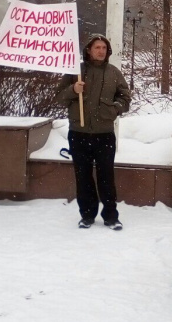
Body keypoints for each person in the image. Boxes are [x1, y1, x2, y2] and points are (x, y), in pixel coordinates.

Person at [56, 34, 131, 230]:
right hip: (79, 133)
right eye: (97, 47)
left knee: (107, 176)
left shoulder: (113, 73)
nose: (101, 51)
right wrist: (73, 89)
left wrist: (114, 108)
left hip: (104, 134)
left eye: (104, 48)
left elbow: (125, 98)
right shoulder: (76, 72)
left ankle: (111, 216)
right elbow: (59, 97)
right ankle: (87, 215)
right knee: (83, 176)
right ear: (88, 50)